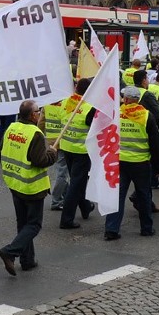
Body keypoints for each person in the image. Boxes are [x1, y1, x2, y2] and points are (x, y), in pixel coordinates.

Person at [0, 100, 57, 275]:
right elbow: (40, 161)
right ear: (32, 115)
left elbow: (2, 149)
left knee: (23, 223)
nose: (39, 114)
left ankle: (27, 260)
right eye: (38, 112)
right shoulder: (35, 133)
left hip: (14, 182)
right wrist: (52, 154)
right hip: (31, 186)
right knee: (34, 225)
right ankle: (9, 251)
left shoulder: (11, 127)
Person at [104, 87, 159, 240]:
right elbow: (156, 143)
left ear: (128, 99)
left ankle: (111, 229)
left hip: (119, 161)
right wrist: (158, 166)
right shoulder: (146, 116)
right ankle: (146, 229)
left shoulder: (116, 114)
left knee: (117, 196)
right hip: (140, 162)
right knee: (143, 196)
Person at [57, 78, 96, 230]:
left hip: (67, 146)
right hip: (81, 150)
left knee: (77, 181)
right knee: (76, 184)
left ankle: (85, 206)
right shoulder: (89, 107)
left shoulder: (67, 101)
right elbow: (96, 128)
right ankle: (66, 219)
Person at [42, 99, 68, 211]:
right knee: (62, 173)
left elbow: (41, 124)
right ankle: (56, 201)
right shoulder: (67, 105)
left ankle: (67, 195)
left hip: (50, 143)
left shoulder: (47, 105)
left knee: (62, 172)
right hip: (63, 143)